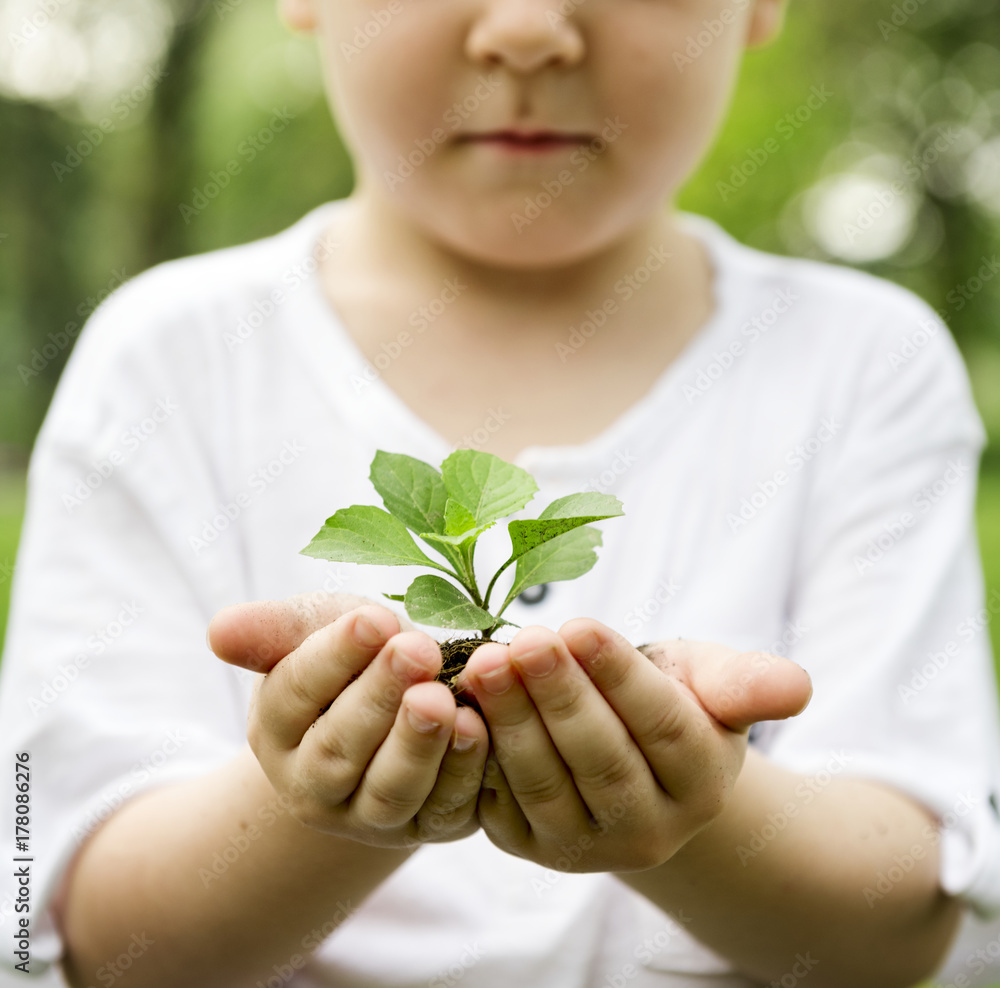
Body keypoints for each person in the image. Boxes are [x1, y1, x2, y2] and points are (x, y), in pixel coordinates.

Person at [2, 0, 1000, 985]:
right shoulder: (169, 362)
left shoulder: (862, 364)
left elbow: (899, 926)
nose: (527, 28)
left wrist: (696, 811)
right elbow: (83, 932)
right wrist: (312, 803)